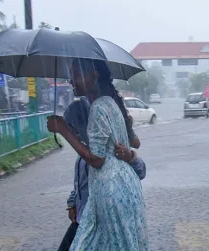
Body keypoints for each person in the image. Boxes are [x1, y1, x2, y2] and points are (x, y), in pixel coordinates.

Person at [47, 59, 148, 250]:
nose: (71, 80)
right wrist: (73, 201)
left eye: (76, 74)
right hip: (120, 192)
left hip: (109, 194)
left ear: (94, 74)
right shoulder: (111, 104)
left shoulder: (99, 108)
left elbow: (97, 160)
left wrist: (63, 130)